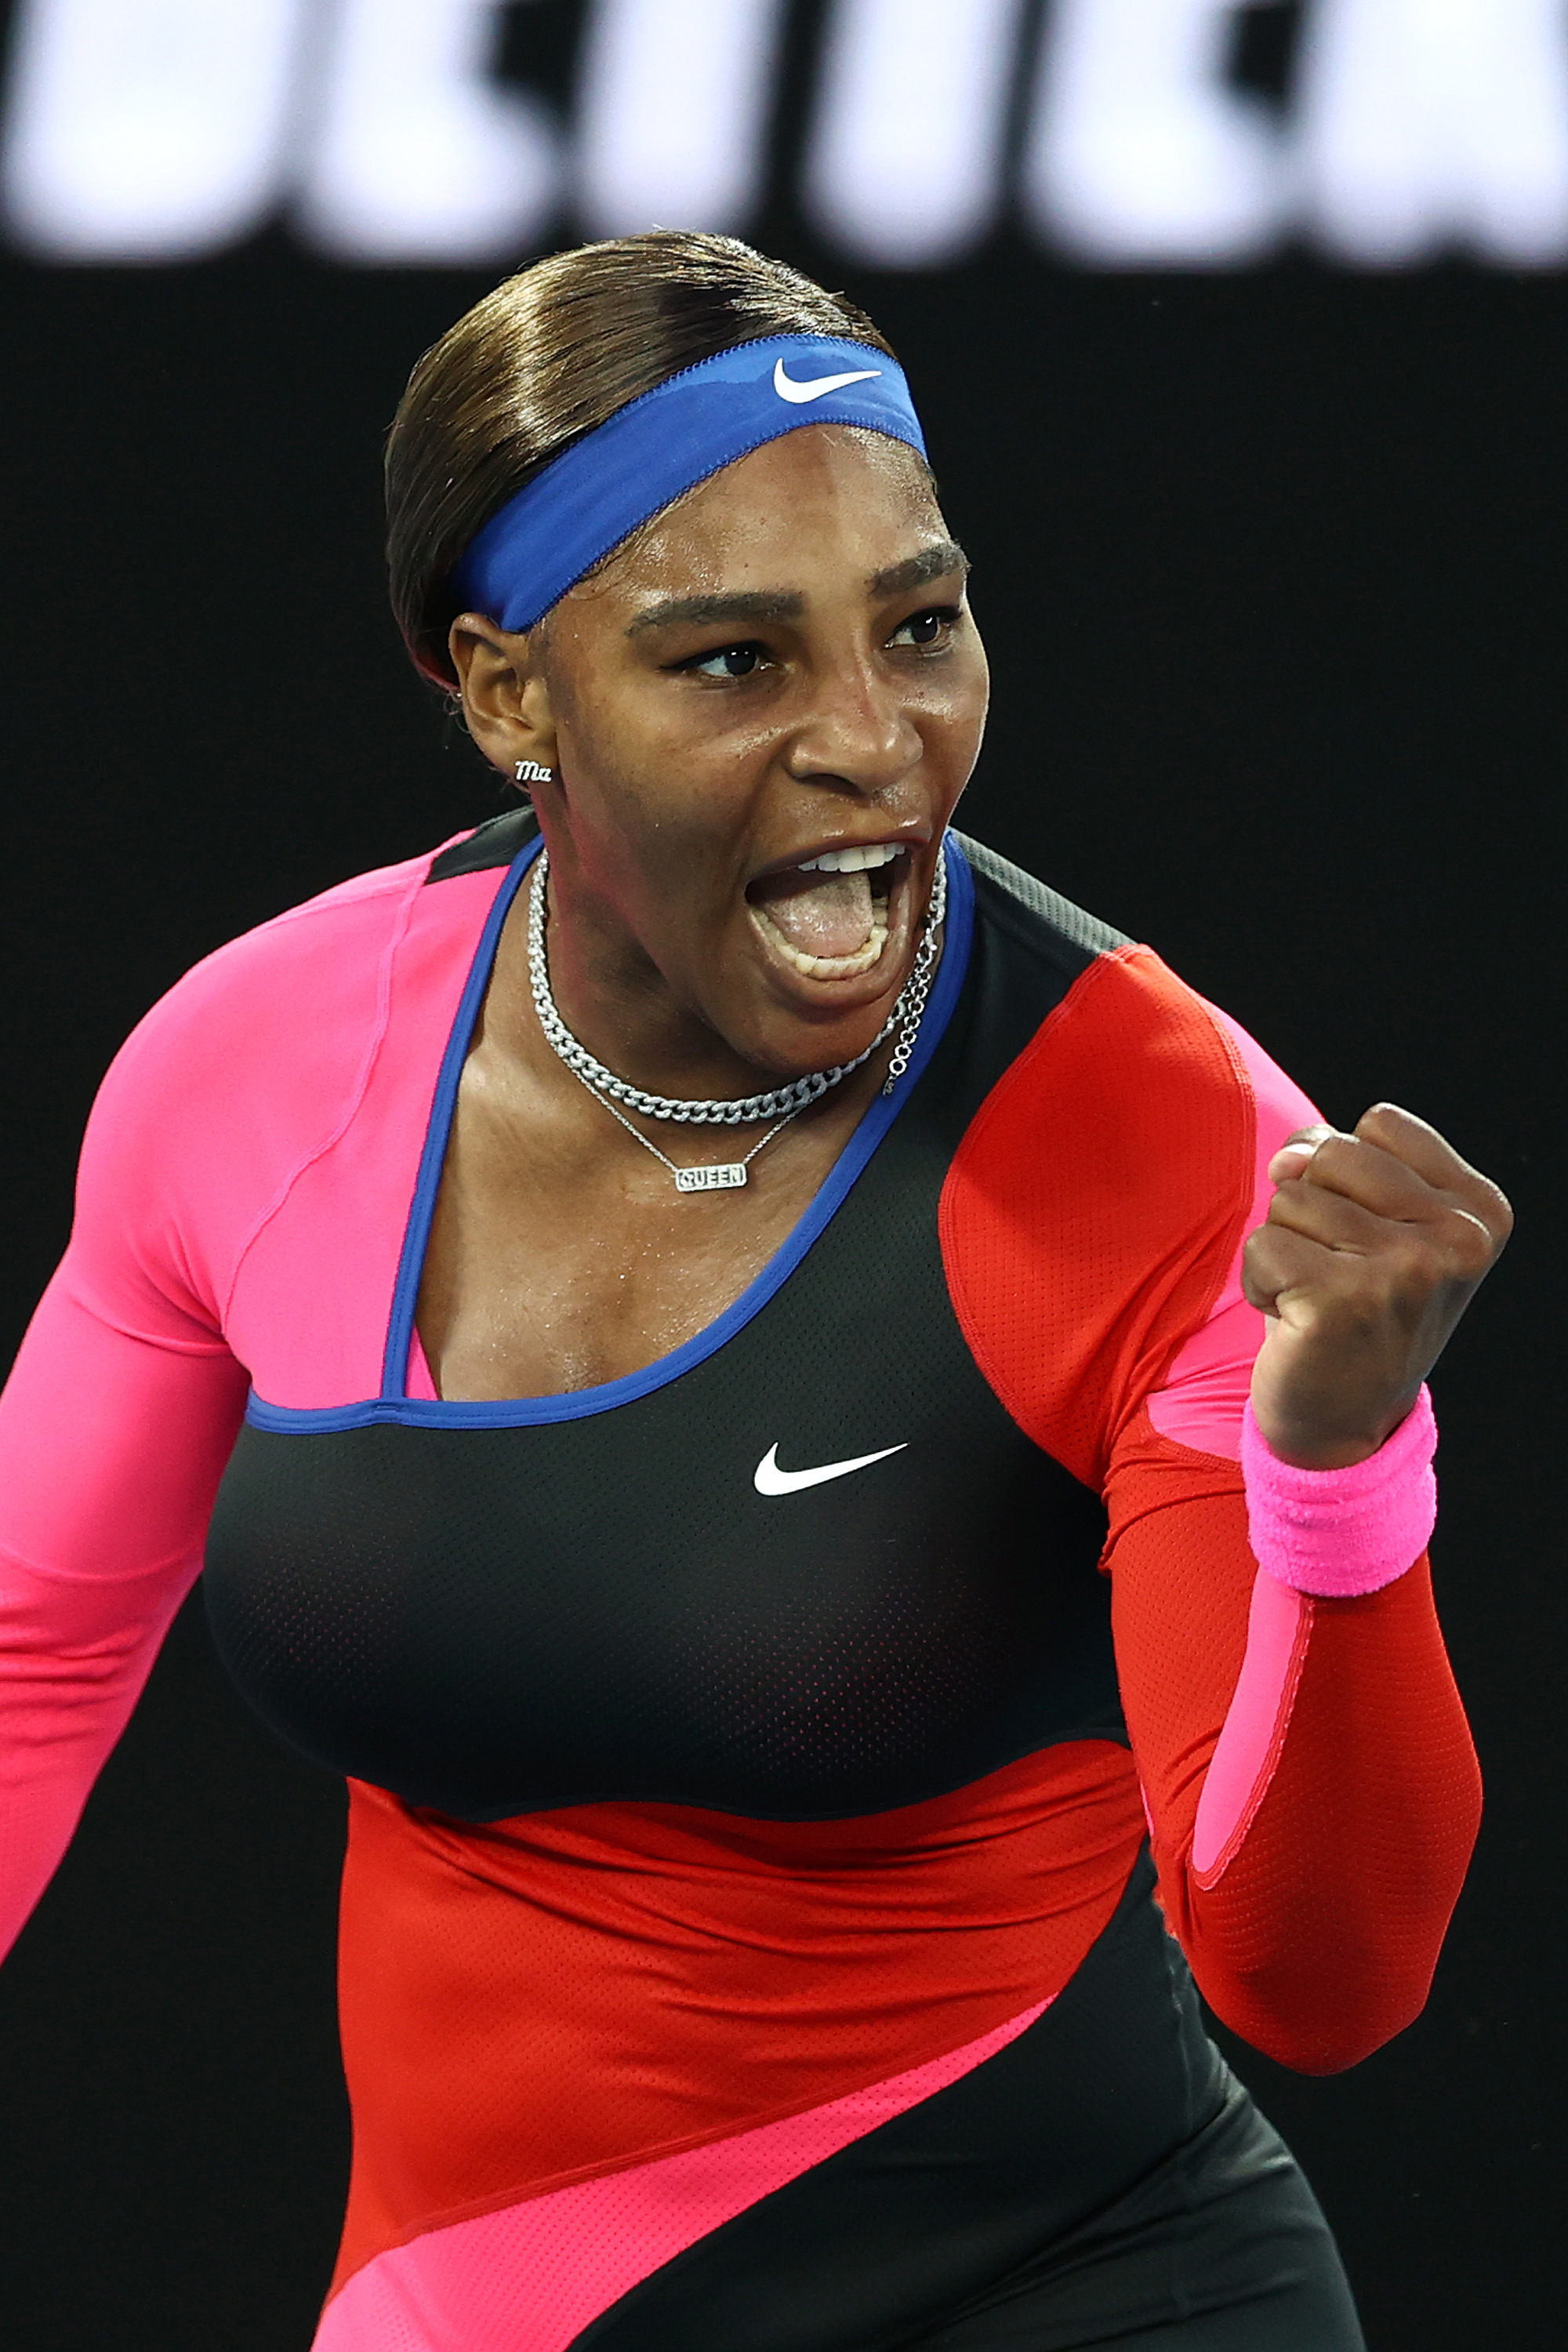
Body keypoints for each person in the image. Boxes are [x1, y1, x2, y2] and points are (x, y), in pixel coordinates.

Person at [0, 231, 1510, 2350]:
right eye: (736, 661)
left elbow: (1321, 1984)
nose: (875, 742)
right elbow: (21, 1678)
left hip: (1092, 2301)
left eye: (924, 624)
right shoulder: (259, 1071)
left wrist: (1341, 1471)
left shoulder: (1174, 1145)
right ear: (509, 692)